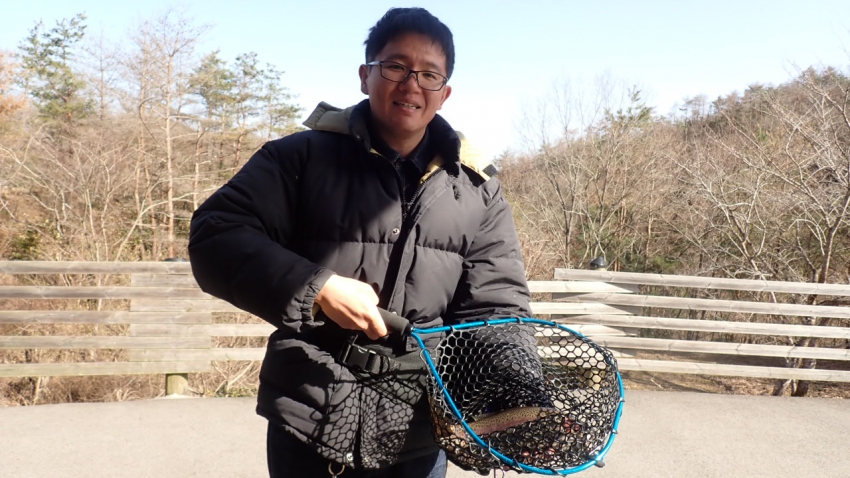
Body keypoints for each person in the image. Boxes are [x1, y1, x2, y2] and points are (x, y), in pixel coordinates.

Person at [188, 7, 531, 478]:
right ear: (365, 75)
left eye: (429, 74)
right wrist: (319, 287)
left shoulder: (477, 189)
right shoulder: (298, 158)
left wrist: (520, 389)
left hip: (419, 429)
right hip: (309, 419)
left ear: (444, 93)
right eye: (395, 66)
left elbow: (497, 306)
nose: (411, 84)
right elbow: (215, 234)